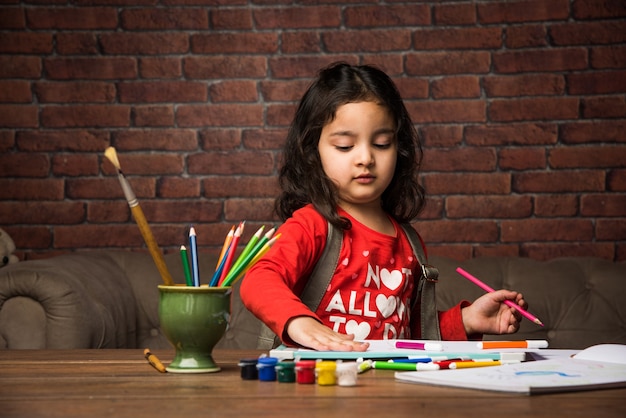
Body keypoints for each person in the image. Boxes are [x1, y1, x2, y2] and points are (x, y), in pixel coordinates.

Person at [240, 62, 526, 352]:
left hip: (388, 390)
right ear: (314, 151)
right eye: (344, 146)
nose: (365, 157)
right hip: (318, 387)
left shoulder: (409, 242)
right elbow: (259, 279)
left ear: (398, 148)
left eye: (381, 143)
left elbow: (411, 334)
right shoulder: (312, 225)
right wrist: (299, 321)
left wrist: (466, 320)